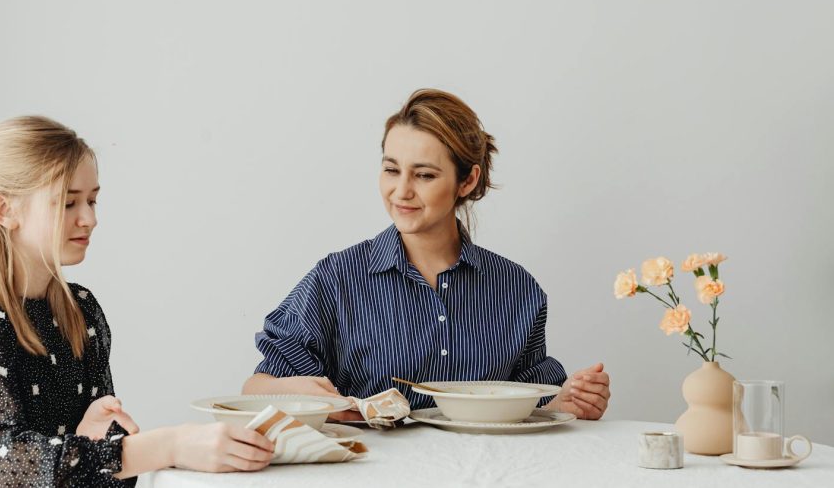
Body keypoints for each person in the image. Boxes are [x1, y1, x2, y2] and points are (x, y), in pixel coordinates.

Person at [0, 116, 273, 487]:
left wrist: (89, 438)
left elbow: (108, 468)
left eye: (92, 200)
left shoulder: (80, 311)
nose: (89, 219)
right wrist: (168, 445)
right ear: (4, 210)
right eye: (68, 203)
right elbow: (4, 469)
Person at [243, 89, 611, 421]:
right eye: (391, 169)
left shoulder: (516, 289)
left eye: (424, 175)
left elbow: (536, 404)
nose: (400, 191)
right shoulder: (336, 279)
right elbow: (256, 388)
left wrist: (570, 402)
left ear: (466, 181)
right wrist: (303, 394)